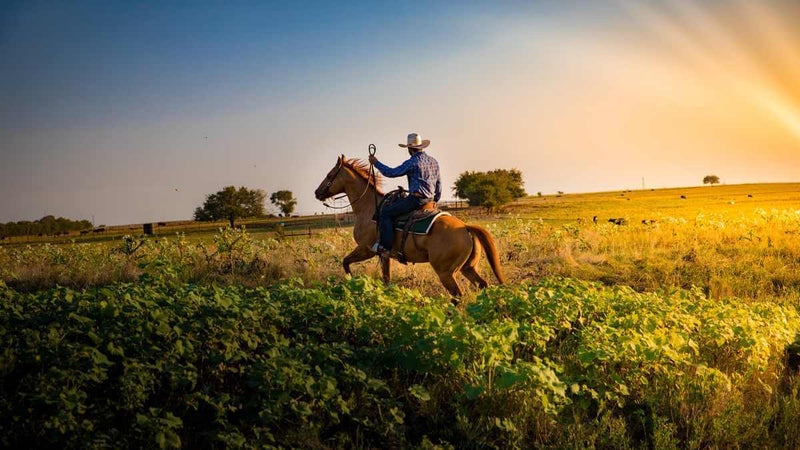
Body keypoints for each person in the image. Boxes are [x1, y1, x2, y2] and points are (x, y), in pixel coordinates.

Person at [368, 132, 442, 257]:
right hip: (430, 201)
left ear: (409, 148)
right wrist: (435, 200)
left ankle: (385, 247)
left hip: (416, 200)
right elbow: (438, 185)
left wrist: (376, 163)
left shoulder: (412, 162)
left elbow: (391, 172)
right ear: (421, 146)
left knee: (385, 212)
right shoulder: (434, 161)